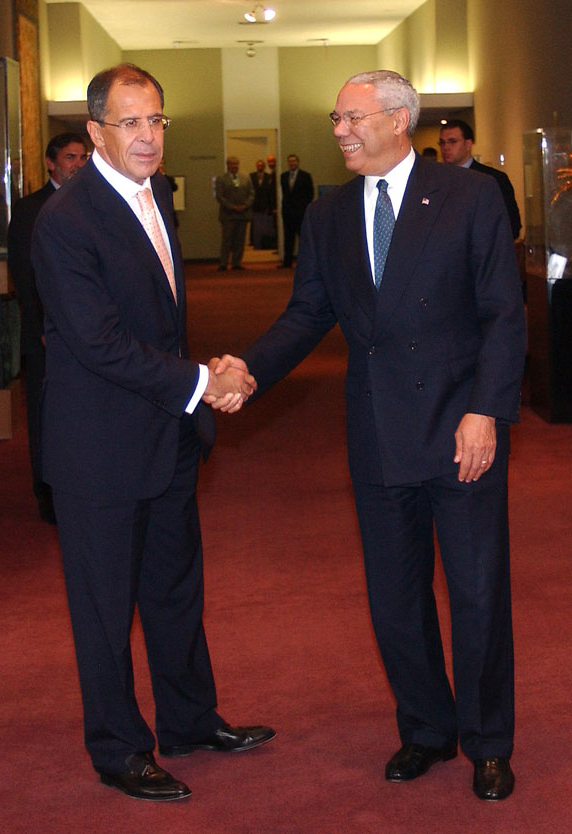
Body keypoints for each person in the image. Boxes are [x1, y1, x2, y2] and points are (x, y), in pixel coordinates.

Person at [219, 70, 526, 801]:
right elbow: (306, 316)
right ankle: (425, 729)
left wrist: (487, 410)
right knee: (395, 596)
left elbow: (502, 314)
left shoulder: (469, 196)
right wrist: (248, 371)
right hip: (380, 433)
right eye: (335, 119)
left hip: (462, 430)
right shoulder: (327, 216)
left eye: (351, 117)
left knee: (478, 593)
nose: (339, 131)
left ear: (398, 120)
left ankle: (488, 740)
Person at [31, 63, 275, 803]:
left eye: (157, 121)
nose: (148, 136)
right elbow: (99, 342)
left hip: (167, 438)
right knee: (105, 610)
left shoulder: (156, 196)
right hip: (99, 452)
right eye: (131, 122)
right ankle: (117, 747)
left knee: (174, 590)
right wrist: (205, 383)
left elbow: (161, 321)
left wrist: (193, 391)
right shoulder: (65, 220)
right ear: (96, 131)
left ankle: (190, 721)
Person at [7, 132, 88, 524]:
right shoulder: (29, 209)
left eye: (83, 157)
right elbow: (26, 275)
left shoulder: (92, 204)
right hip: (45, 335)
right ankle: (47, 494)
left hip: (88, 333)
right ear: (51, 163)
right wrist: (42, 325)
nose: (78, 163)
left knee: (80, 413)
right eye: (71, 157)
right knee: (44, 414)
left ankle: (81, 485)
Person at [439, 119, 522, 238]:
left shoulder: (492, 179)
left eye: (452, 142)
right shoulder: (436, 180)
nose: (446, 147)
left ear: (468, 144)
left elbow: (511, 225)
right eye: (442, 143)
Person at [214, 156, 254, 270]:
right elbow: (220, 196)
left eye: (236, 164)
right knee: (227, 240)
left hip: (243, 214)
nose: (234, 166)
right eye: (232, 164)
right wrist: (232, 207)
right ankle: (223, 263)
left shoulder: (246, 177)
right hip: (228, 215)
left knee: (240, 241)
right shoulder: (221, 179)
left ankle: (236, 263)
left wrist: (245, 205)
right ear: (228, 165)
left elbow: (252, 193)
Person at [279, 154, 314, 268]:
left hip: (301, 213)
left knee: (303, 238)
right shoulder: (283, 176)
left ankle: (305, 262)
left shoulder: (305, 176)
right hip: (287, 213)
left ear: (298, 162)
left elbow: (310, 194)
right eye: (290, 162)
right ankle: (287, 262)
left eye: (294, 161)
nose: (292, 163)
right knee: (288, 238)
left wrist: (304, 209)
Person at [249, 159, 274, 248]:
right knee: (253, 225)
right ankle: (253, 241)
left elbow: (270, 192)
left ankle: (263, 243)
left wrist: (269, 206)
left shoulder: (268, 177)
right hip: (254, 204)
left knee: (265, 225)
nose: (260, 167)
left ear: (264, 167)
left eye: (261, 166)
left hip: (265, 205)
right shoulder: (251, 176)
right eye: (258, 166)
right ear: (256, 167)